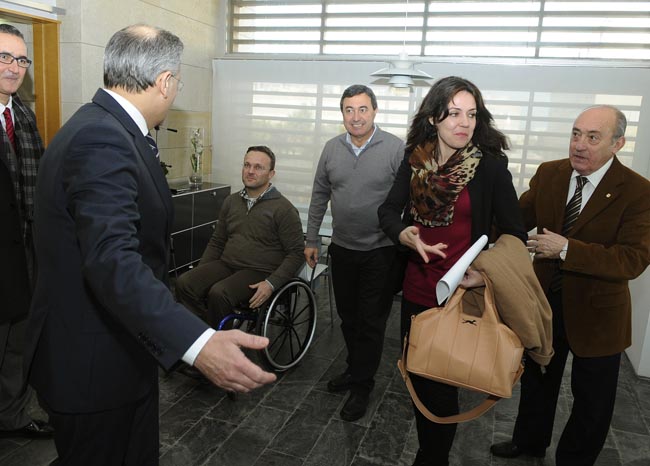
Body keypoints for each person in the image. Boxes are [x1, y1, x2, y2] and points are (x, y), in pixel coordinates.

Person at [24, 24, 276, 465]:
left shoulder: (109, 127)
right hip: (91, 367)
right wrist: (198, 344)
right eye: (176, 81)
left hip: (119, 356)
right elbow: (112, 260)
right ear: (163, 81)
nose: (175, 91)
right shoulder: (100, 138)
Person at [378, 76, 527, 466]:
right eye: (454, 113)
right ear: (433, 118)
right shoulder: (415, 160)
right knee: (419, 382)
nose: (464, 123)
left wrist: (485, 275)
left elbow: (515, 233)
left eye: (472, 114)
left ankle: (431, 458)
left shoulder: (490, 169)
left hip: (461, 296)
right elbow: (387, 213)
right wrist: (405, 236)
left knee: (442, 390)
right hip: (415, 292)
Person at [490, 105, 650, 466]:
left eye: (593, 137)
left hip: (599, 316)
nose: (579, 144)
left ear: (618, 143)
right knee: (538, 380)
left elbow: (632, 260)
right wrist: (473, 243)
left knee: (592, 401)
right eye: (576, 133)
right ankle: (528, 442)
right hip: (546, 302)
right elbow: (514, 220)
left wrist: (567, 249)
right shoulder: (550, 174)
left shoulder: (638, 192)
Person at [305, 84, 404, 422]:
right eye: (349, 110)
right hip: (343, 249)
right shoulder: (332, 149)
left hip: (381, 251)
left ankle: (362, 384)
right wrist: (312, 239)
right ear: (342, 114)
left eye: (362, 109)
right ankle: (354, 368)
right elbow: (319, 194)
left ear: (375, 111)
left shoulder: (394, 148)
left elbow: (409, 198)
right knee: (348, 318)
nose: (356, 116)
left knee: (371, 322)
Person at [175, 145, 304, 328]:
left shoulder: (284, 209)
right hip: (227, 264)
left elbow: (296, 253)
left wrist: (270, 284)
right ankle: (204, 334)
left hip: (259, 270)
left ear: (271, 174)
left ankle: (218, 344)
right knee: (184, 283)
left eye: (258, 167)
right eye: (247, 165)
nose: (250, 171)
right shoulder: (231, 201)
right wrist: (201, 272)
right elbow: (217, 241)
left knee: (219, 293)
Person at [0, 24, 53, 440]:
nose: (14, 67)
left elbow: (39, 183)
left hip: (24, 251)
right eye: (4, 56)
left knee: (18, 339)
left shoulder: (24, 115)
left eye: (21, 59)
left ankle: (12, 415)